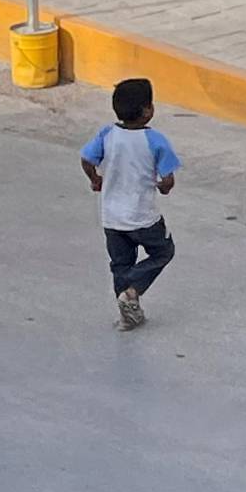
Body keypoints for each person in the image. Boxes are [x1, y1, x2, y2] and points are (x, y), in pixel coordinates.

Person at [80, 78, 180, 330]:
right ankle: (132, 289)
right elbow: (167, 180)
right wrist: (164, 187)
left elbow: (86, 158)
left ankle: (127, 313)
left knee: (119, 264)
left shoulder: (107, 134)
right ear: (148, 111)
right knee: (163, 252)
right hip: (143, 216)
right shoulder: (156, 140)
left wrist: (95, 180)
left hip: (111, 217)